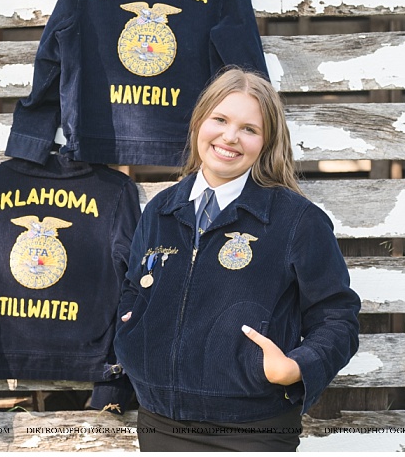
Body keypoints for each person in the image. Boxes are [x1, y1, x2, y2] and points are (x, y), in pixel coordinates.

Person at [113, 67, 361, 451]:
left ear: (266, 142)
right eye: (220, 120)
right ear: (199, 122)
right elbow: (136, 285)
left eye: (249, 129)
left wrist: (296, 367)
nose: (230, 136)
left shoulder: (297, 220)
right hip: (159, 420)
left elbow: (337, 317)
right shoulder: (161, 210)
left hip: (253, 429)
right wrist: (133, 337)